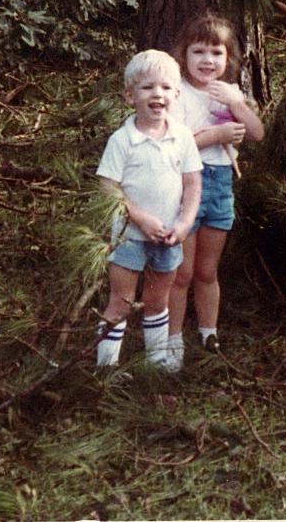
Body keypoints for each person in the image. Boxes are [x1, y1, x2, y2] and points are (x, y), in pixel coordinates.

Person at [94, 49, 202, 372]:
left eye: (166, 88)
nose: (158, 94)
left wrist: (183, 224)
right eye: (147, 88)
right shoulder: (122, 140)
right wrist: (139, 217)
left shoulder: (182, 137)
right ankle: (106, 369)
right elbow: (108, 187)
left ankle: (157, 363)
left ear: (177, 94)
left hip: (169, 236)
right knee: (122, 302)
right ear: (130, 96)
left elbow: (193, 185)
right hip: (129, 236)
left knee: (157, 301)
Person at [167, 14, 265, 366]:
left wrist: (237, 105)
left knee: (208, 271)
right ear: (184, 55)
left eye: (216, 52)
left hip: (221, 184)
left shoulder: (230, 92)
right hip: (187, 183)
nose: (207, 60)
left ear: (228, 58)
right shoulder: (176, 92)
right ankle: (172, 339)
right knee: (182, 272)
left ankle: (209, 334)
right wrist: (216, 136)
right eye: (199, 52)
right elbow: (173, 146)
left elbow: (256, 134)